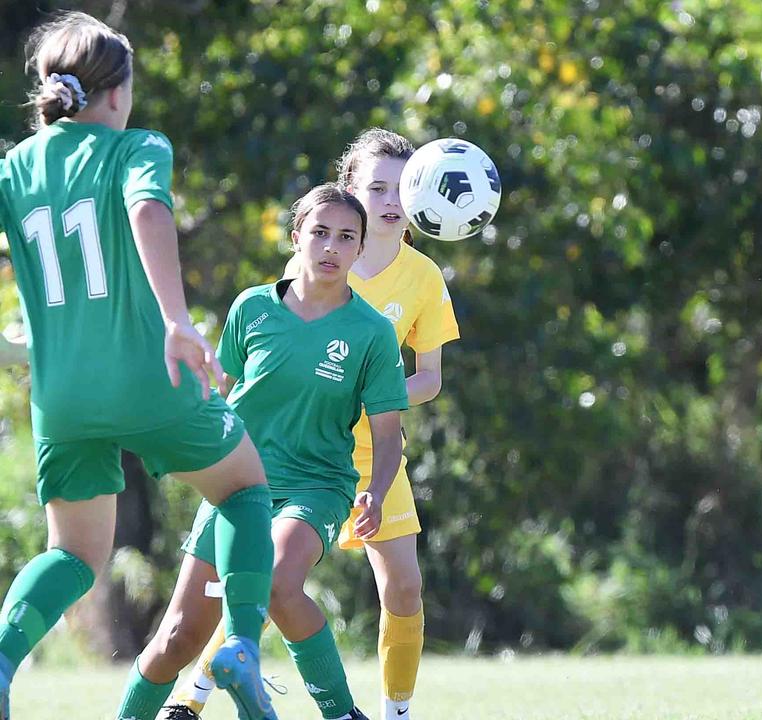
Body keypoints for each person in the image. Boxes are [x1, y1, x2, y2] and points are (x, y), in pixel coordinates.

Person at [0, 12, 277, 718]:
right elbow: (147, 212)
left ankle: (1, 660)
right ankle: (241, 645)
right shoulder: (136, 148)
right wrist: (179, 322)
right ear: (117, 93)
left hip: (61, 395)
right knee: (245, 490)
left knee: (73, 557)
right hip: (149, 379)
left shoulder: (14, 167)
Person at [165, 129, 459, 720]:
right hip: (292, 451)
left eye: (402, 187)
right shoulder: (317, 260)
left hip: (376, 450)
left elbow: (430, 377)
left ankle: (396, 712)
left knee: (403, 588)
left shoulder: (424, 277)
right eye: (376, 186)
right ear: (349, 191)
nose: (390, 198)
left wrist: (372, 396)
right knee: (260, 577)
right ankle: (190, 698)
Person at [115, 184, 409, 720]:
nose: (330, 247)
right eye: (319, 232)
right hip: (236, 486)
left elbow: (388, 433)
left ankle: (343, 714)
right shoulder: (251, 308)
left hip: (315, 487)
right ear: (296, 236)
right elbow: (218, 397)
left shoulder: (371, 332)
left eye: (346, 237)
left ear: (360, 249)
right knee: (179, 636)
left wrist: (376, 491)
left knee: (277, 582)